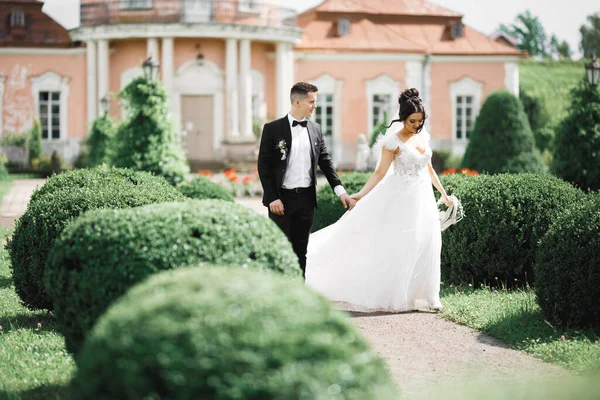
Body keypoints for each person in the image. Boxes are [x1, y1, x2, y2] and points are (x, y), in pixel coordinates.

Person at [305, 88, 451, 312]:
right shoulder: (392, 142)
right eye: (412, 121)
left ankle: (431, 296)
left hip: (424, 199)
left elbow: (429, 169)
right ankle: (398, 294)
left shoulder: (423, 138)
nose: (416, 126)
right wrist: (361, 195)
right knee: (404, 244)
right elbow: (379, 173)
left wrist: (443, 194)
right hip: (401, 199)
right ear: (402, 118)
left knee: (429, 241)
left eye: (420, 121)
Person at [257, 82, 355, 278]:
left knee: (301, 251)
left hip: (306, 201)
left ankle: (298, 294)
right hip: (281, 201)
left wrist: (340, 191)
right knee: (279, 249)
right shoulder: (272, 129)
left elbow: (325, 162)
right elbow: (264, 166)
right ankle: (278, 293)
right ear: (297, 101)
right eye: (312, 102)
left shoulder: (316, 129)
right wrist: (272, 197)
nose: (315, 106)